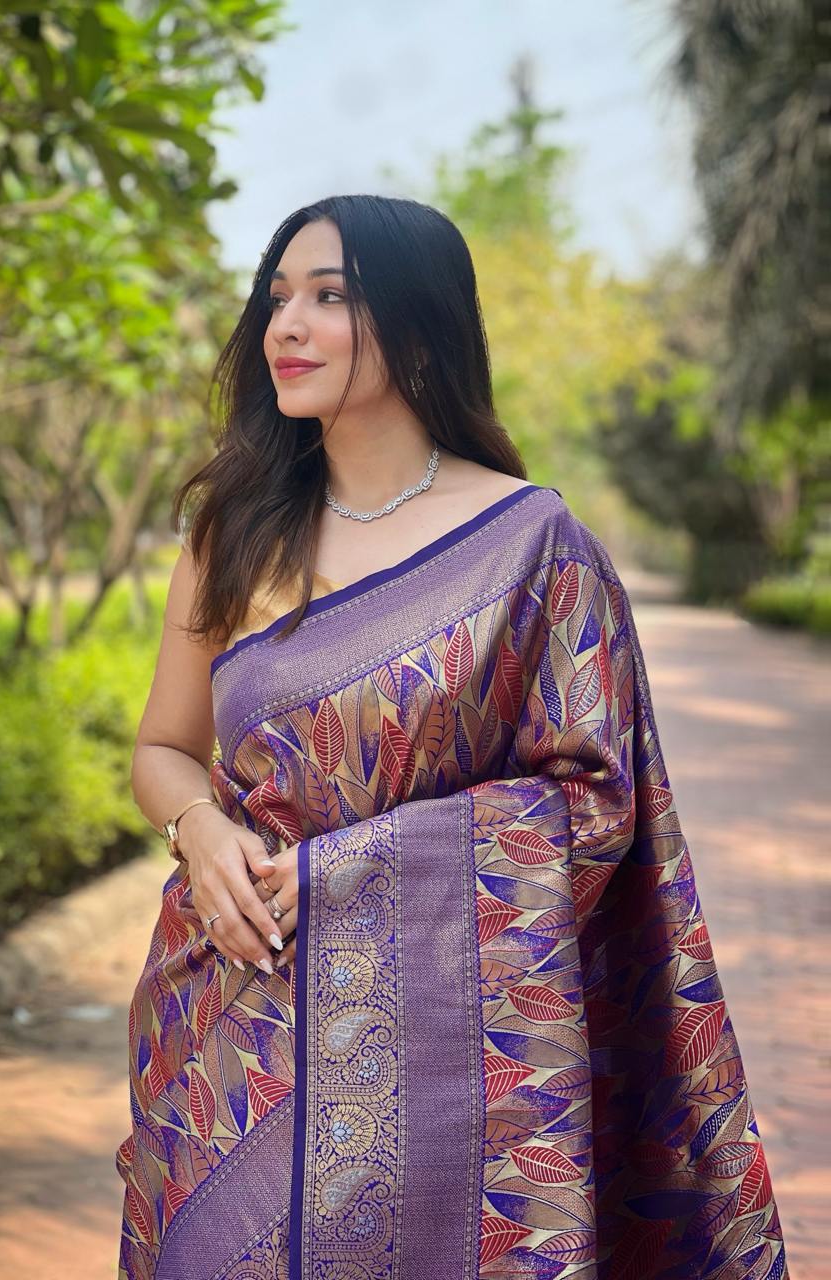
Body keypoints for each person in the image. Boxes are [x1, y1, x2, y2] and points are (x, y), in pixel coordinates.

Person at [115, 195, 787, 1280]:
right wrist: (197, 828)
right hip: (233, 1005)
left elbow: (597, 801)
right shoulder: (231, 531)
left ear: (419, 325)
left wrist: (355, 872)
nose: (287, 325)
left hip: (452, 1046)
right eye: (277, 298)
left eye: (330, 296)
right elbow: (163, 747)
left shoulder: (530, 544)